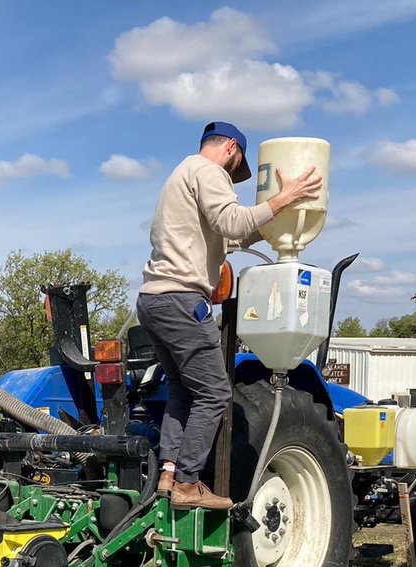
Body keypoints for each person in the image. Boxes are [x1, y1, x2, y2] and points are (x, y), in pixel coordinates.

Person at [137, 121, 323, 510]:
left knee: (182, 391)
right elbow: (231, 220)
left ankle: (169, 475)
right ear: (232, 150)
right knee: (217, 392)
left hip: (153, 300)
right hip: (182, 299)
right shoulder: (208, 171)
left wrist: (275, 217)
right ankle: (189, 483)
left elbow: (231, 235)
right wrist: (283, 196)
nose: (233, 180)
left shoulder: (181, 175)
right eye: (235, 171)